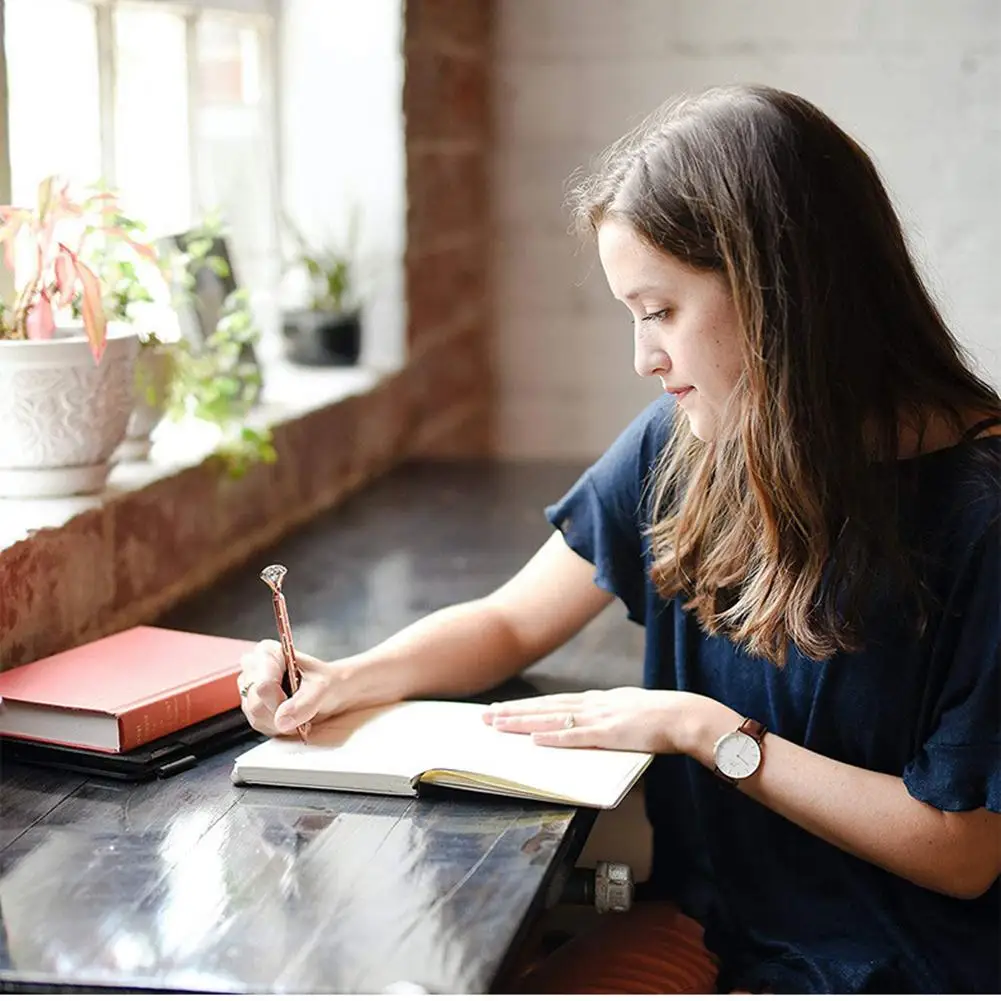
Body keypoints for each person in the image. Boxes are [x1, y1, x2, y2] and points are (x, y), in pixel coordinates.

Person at [237, 84, 1001, 994]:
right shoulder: (686, 442)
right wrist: (347, 676)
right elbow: (511, 622)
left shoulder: (981, 515)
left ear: (778, 291)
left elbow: (960, 850)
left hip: (918, 965)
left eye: (660, 310)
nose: (643, 358)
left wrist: (707, 729)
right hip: (714, 933)